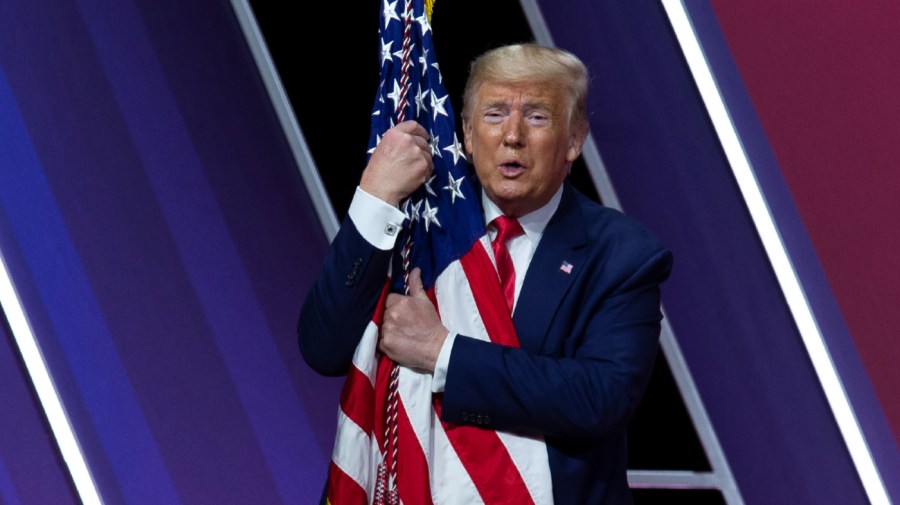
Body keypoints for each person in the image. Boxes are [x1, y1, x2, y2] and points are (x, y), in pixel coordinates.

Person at [299, 43, 673, 504]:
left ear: (574, 139)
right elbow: (323, 347)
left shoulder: (622, 254)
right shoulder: (416, 228)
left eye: (536, 117)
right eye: (494, 115)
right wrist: (374, 197)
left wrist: (443, 353)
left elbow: (599, 398)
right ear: (468, 135)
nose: (511, 135)